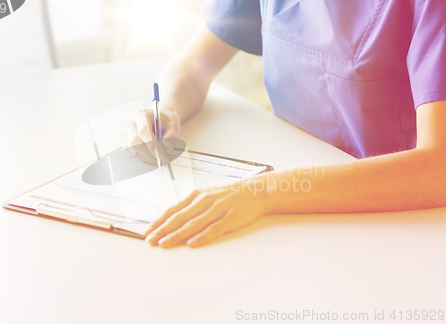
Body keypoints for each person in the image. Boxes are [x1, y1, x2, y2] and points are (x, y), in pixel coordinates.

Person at [122, 0, 446, 248]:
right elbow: (194, 64)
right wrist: (166, 107)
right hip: (291, 205)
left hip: (400, 220)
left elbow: (438, 168)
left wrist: (264, 192)